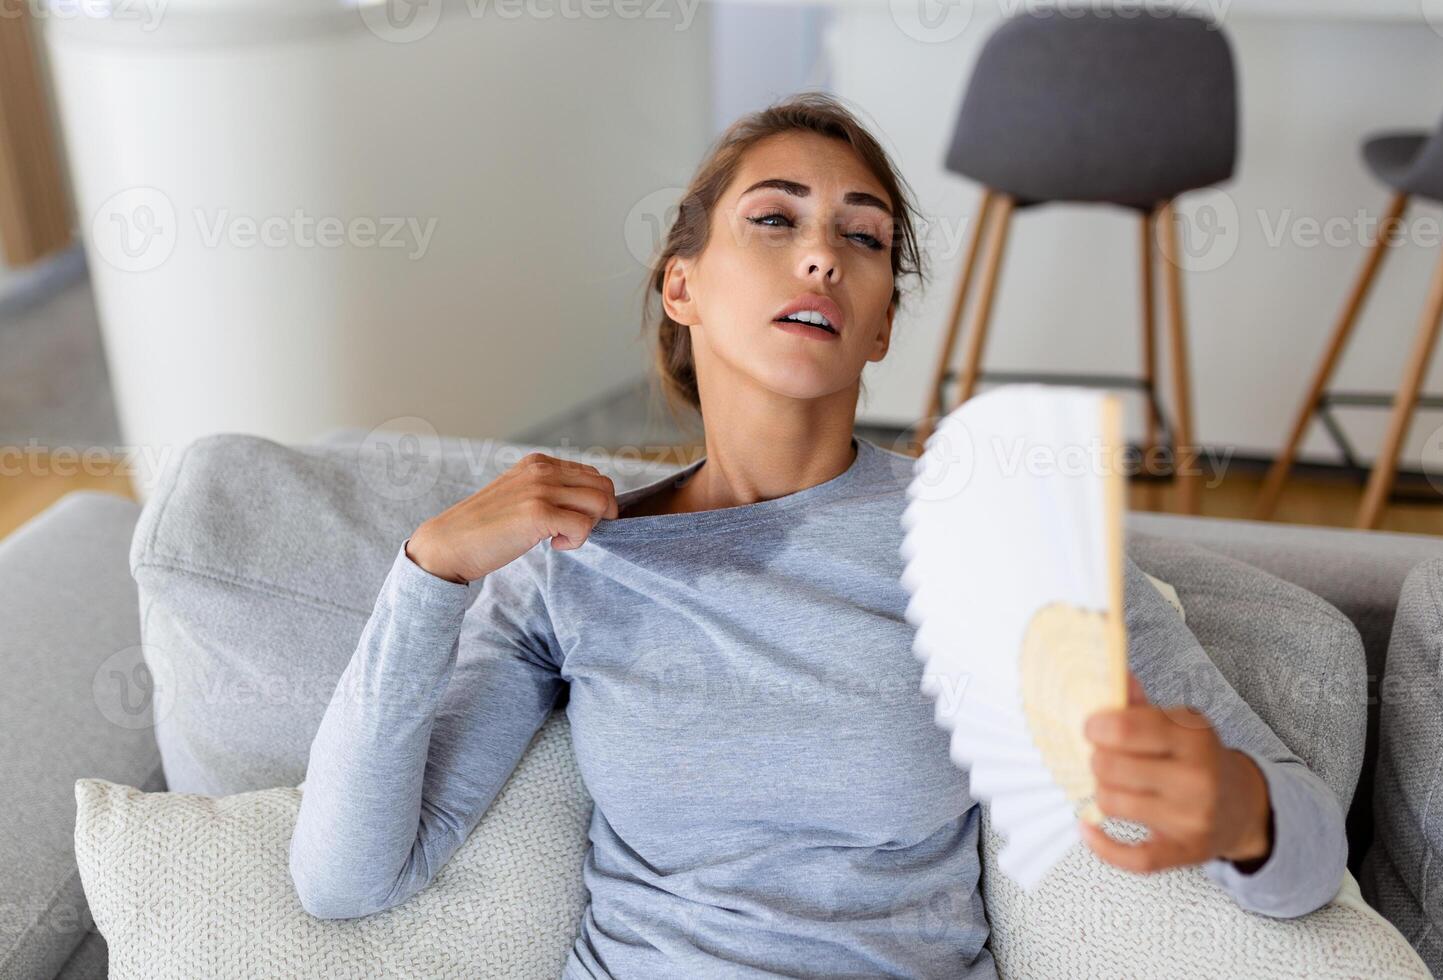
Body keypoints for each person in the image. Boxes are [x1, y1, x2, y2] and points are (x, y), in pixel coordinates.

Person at [288, 92, 1348, 978]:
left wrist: (1241, 812)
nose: (821, 259)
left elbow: (1305, 855)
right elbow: (345, 875)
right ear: (681, 284)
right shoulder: (570, 563)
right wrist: (430, 571)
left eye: (863, 236)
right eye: (774, 219)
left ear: (883, 321)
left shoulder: (993, 537)